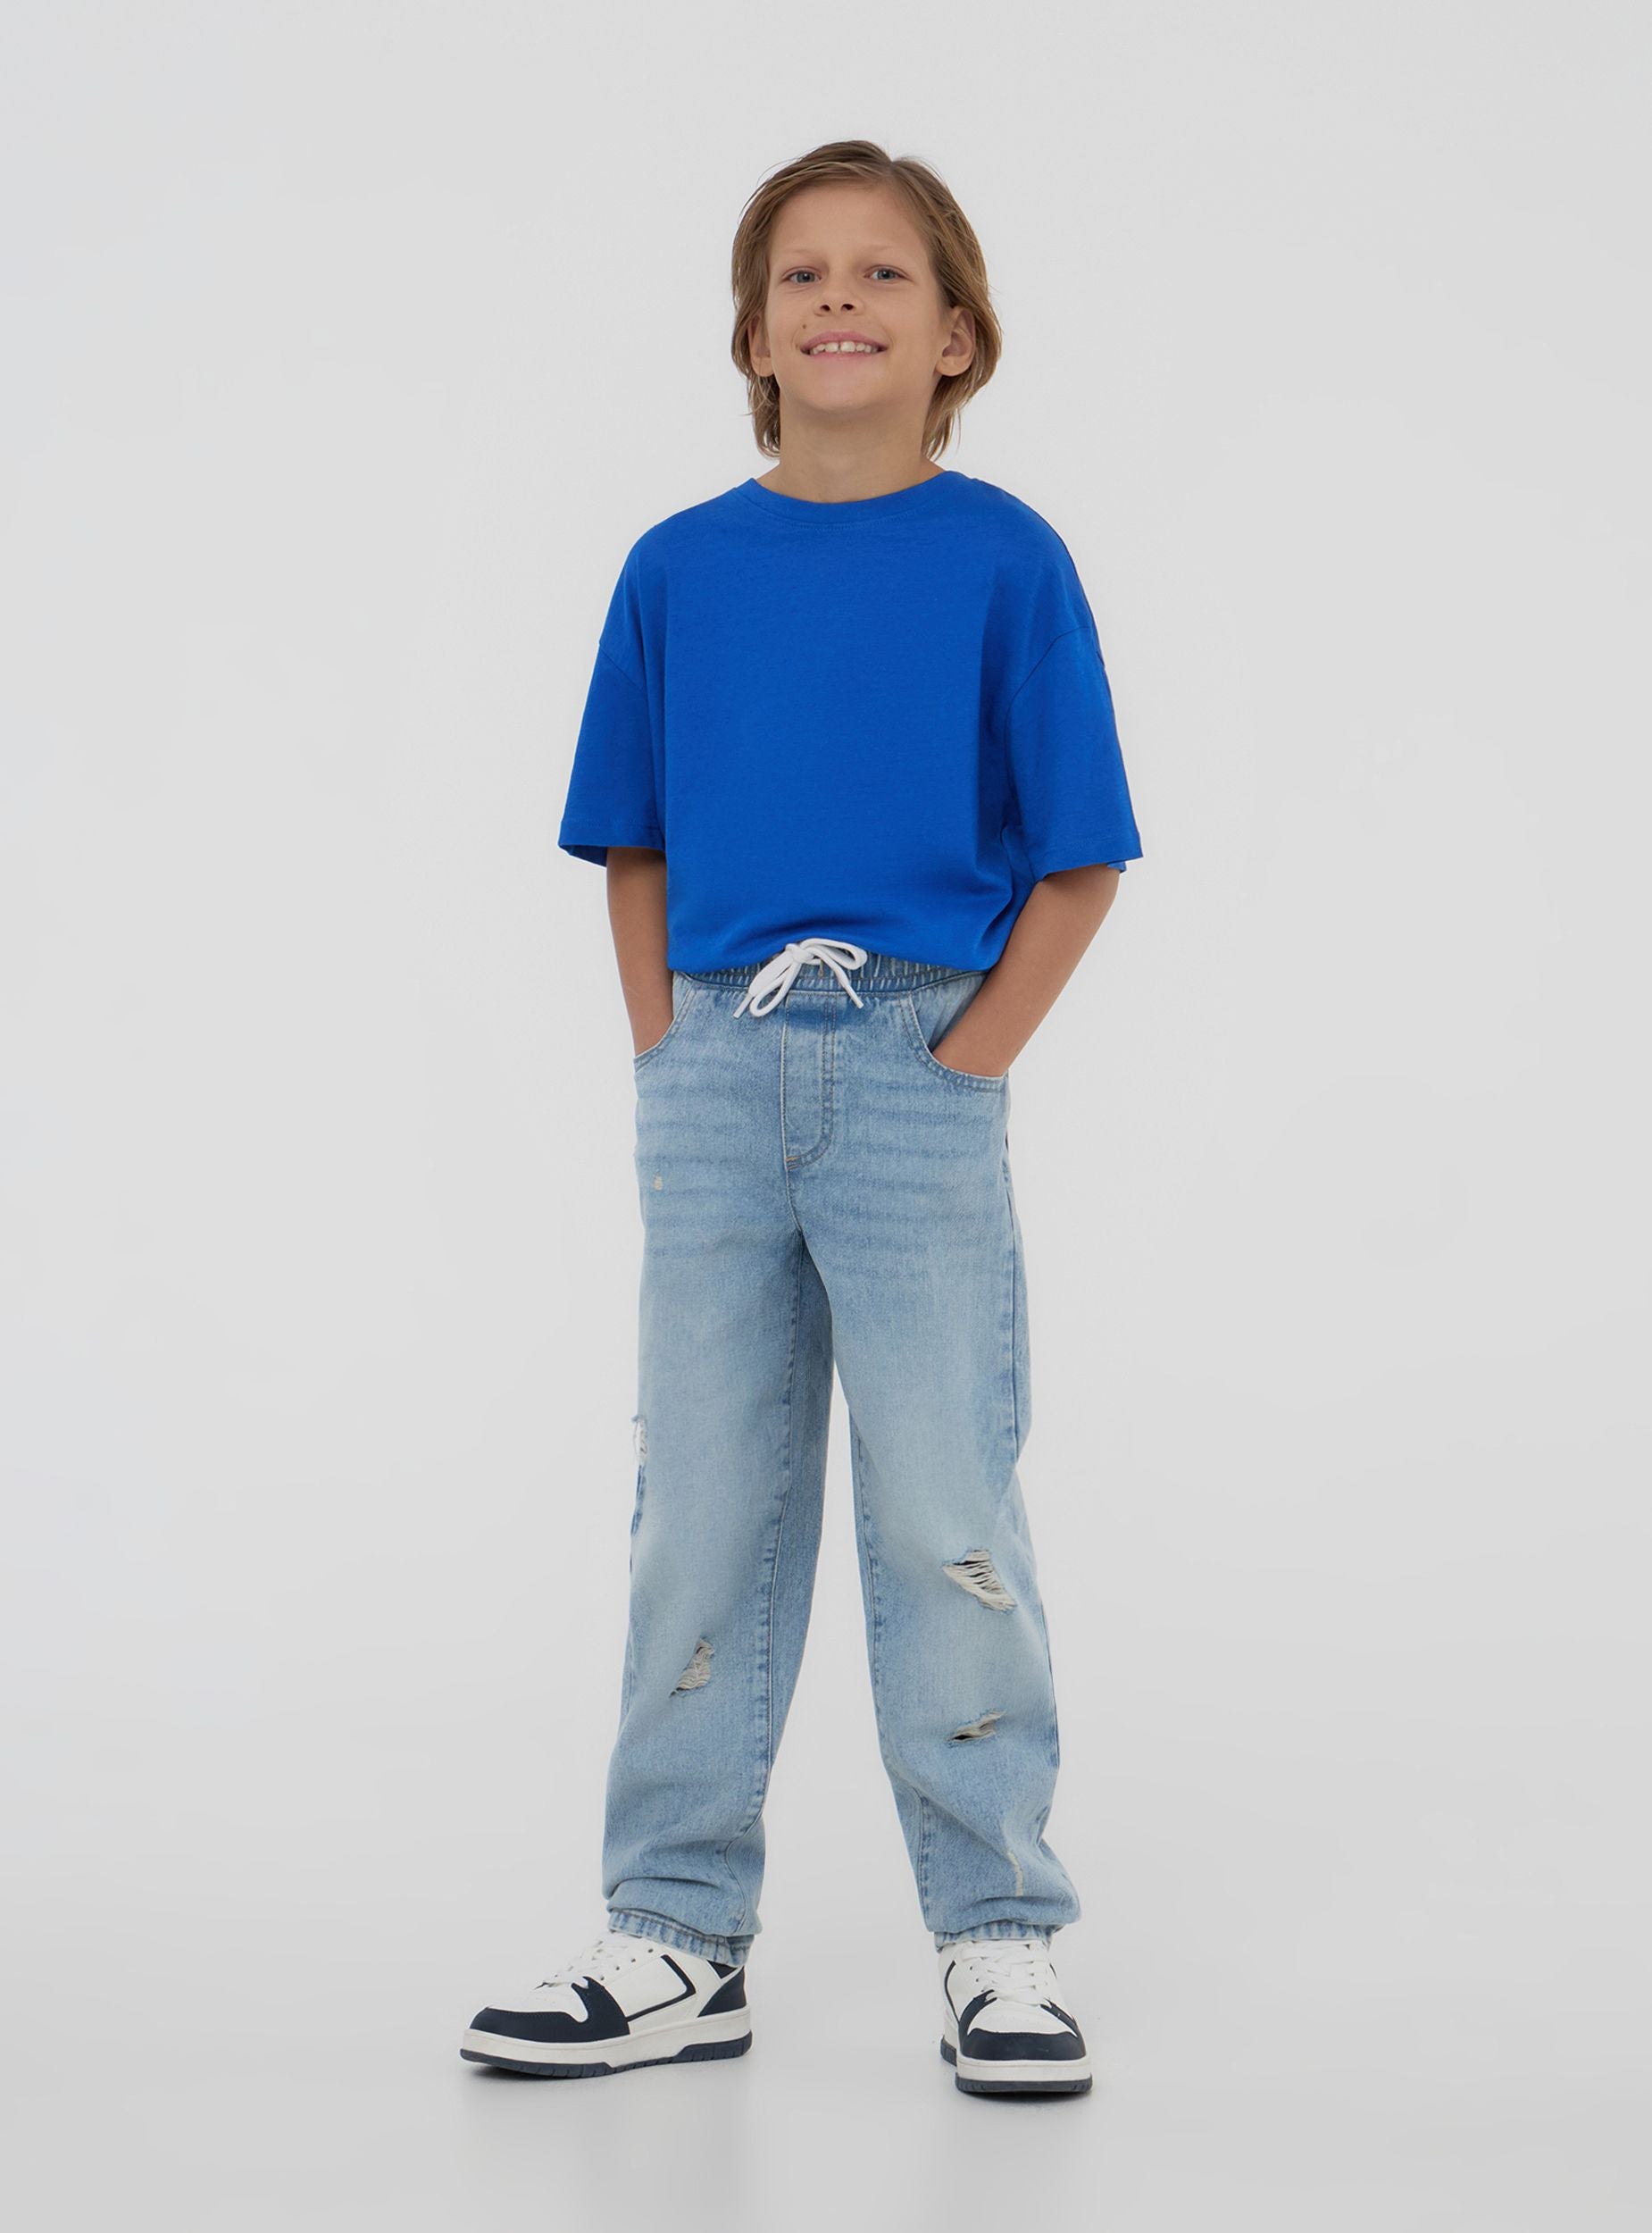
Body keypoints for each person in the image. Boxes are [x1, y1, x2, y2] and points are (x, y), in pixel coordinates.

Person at [461, 138, 1142, 2098]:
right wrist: (666, 1053)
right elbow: (633, 842)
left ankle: (997, 1929)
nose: (839, 298)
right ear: (754, 337)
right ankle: (676, 1933)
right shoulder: (677, 568)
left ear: (957, 335)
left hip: (920, 1062)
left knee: (942, 1507)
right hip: (711, 1065)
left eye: (883, 273)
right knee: (699, 1507)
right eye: (800, 275)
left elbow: (1081, 857)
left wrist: (966, 1060)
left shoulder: (1006, 558)